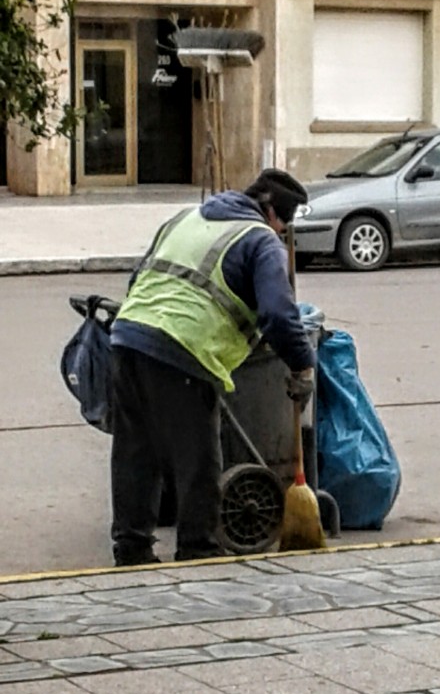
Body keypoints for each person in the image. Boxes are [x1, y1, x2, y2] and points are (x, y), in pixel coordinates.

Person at [109, 169, 316, 566]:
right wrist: (302, 366)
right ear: (271, 212)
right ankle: (198, 549)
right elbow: (277, 313)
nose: (282, 230)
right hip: (183, 349)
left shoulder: (184, 218)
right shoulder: (260, 239)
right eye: (284, 222)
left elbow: (139, 277)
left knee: (137, 452)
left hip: (127, 336)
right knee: (199, 458)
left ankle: (131, 550)